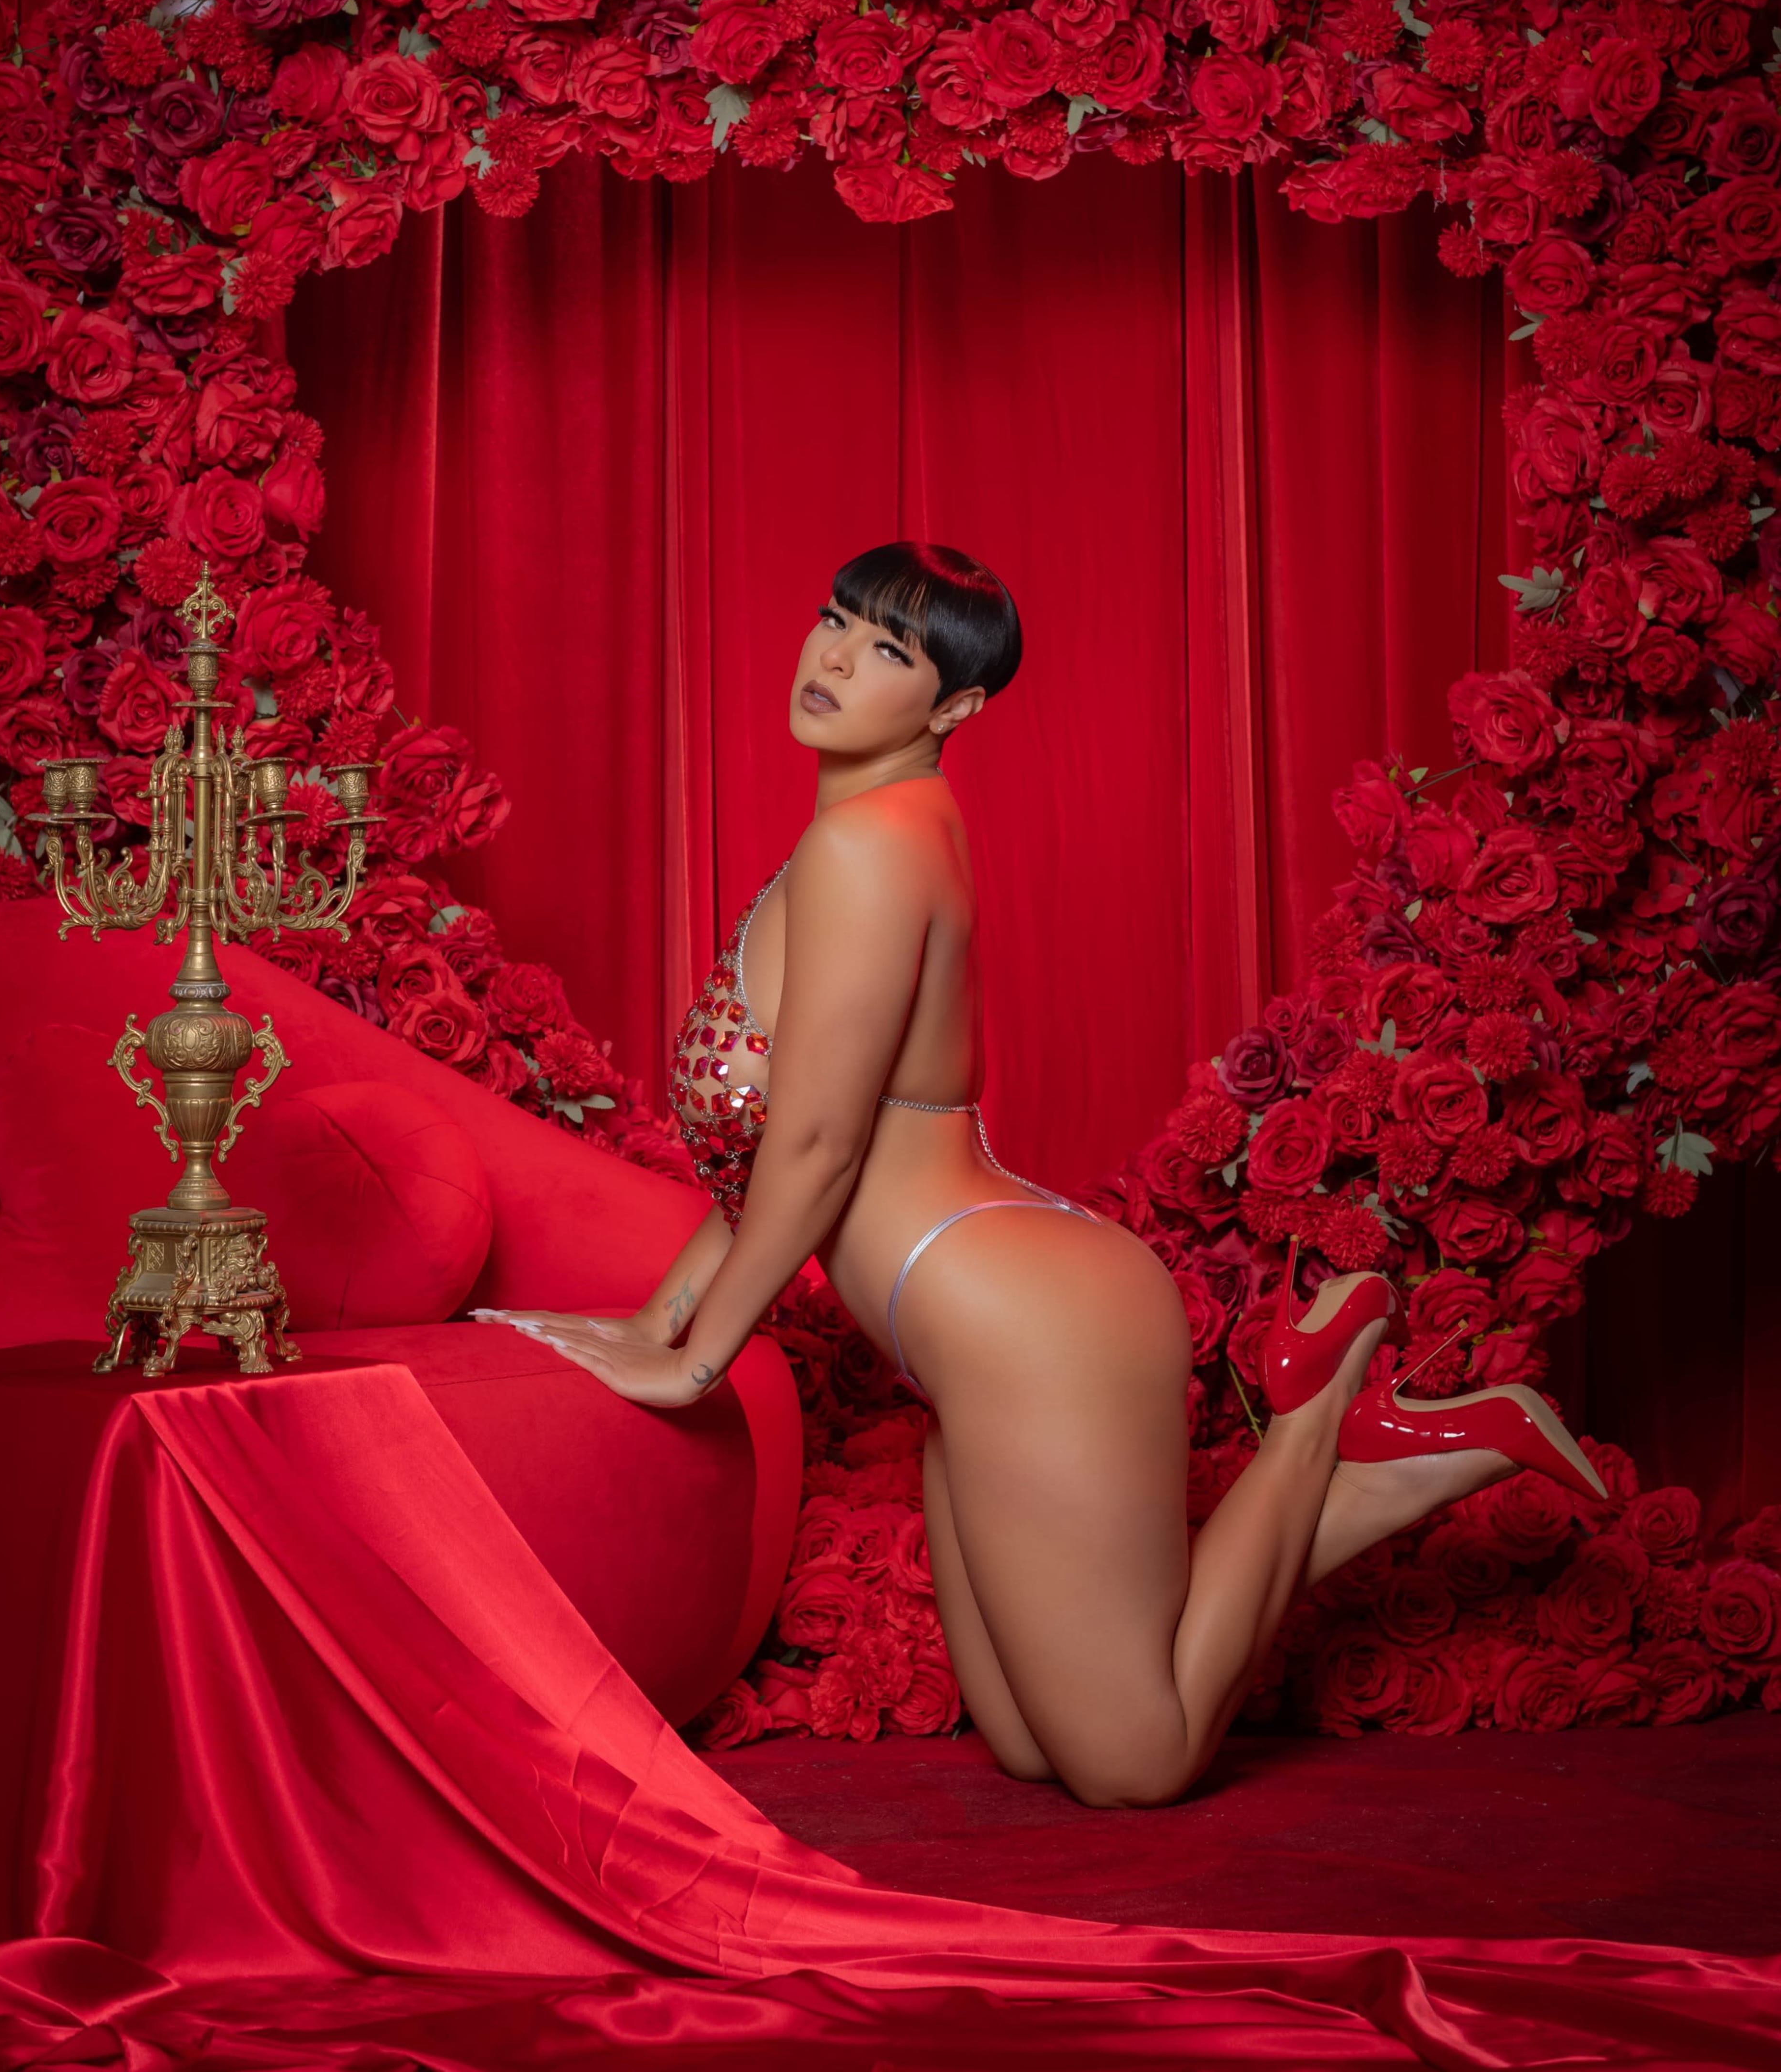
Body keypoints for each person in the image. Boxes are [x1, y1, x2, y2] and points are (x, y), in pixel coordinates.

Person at [512, 541, 1603, 1808]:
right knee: (1033, 1747)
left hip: (1029, 1324)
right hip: (970, 1326)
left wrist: (696, 1359)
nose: (832, 659)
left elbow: (817, 1145)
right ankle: (1376, 1457)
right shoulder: (867, 832)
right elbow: (771, 1152)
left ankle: (1315, 1405)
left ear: (956, 707)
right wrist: (654, 1314)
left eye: (888, 653)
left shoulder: (870, 849)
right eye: (834, 619)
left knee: (1132, 1767)